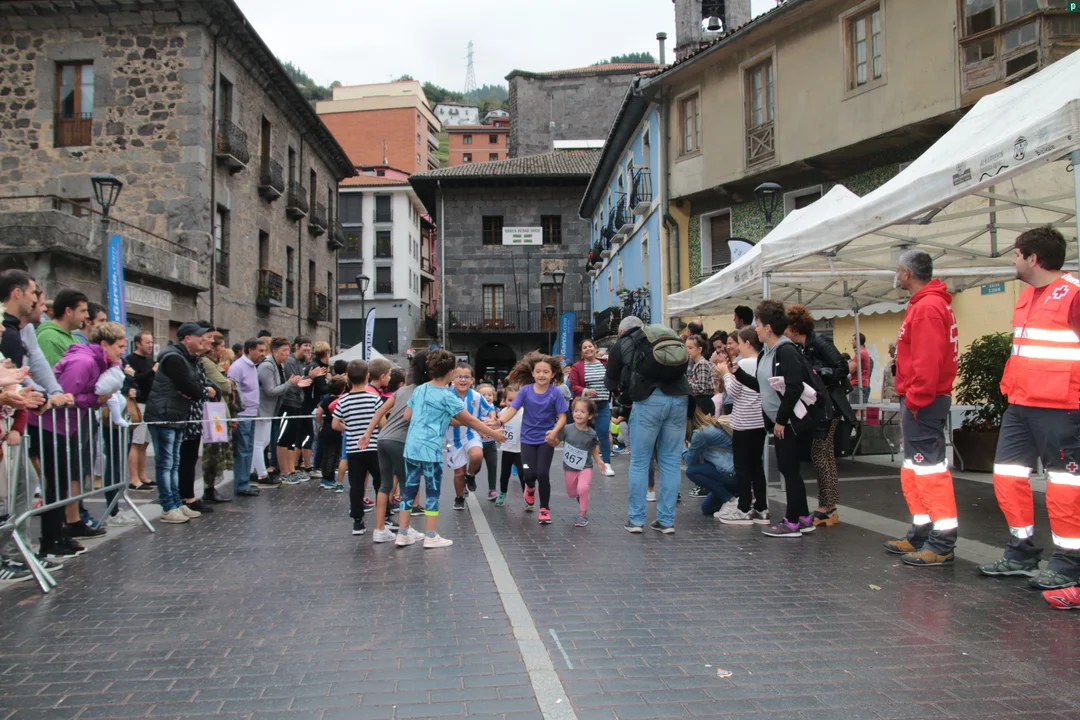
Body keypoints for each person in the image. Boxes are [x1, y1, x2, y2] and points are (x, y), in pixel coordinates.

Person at [977, 228, 1080, 607]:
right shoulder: (1026, 297)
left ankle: (1069, 562)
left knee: (1064, 484)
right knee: (1007, 476)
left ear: (1033, 258)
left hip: (1061, 405)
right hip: (1021, 404)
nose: (1013, 260)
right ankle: (1021, 551)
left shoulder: (1074, 294)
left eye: (1017, 254)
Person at [883, 249, 959, 567]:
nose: (896, 275)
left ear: (907, 273)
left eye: (897, 270)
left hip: (923, 401)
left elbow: (928, 361)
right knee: (917, 469)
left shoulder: (927, 307)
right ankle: (922, 534)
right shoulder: (926, 304)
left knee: (928, 470)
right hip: (922, 399)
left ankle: (941, 543)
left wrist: (915, 399)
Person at [394, 350, 505, 548]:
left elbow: (407, 416)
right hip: (430, 450)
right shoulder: (447, 396)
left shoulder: (420, 389)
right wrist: (494, 434)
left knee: (409, 489)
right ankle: (431, 536)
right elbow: (470, 420)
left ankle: (402, 534)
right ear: (451, 372)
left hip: (411, 447)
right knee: (432, 491)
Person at [731, 300, 819, 538]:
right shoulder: (766, 353)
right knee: (788, 469)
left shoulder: (785, 350)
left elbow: (793, 387)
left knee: (789, 470)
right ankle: (803, 517)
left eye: (758, 324)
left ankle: (792, 522)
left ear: (768, 328)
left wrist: (781, 419)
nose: (756, 328)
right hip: (779, 422)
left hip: (789, 423)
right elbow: (762, 386)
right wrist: (737, 373)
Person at [38, 322, 127, 557]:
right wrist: (95, 399)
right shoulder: (84, 361)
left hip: (66, 426)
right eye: (119, 346)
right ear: (104, 344)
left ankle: (59, 534)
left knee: (63, 482)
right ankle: (51, 539)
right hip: (51, 426)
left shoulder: (97, 362)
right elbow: (64, 396)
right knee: (56, 484)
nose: (123, 351)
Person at [605, 316, 690, 534]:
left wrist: (624, 395)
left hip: (648, 400)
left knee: (640, 462)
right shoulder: (661, 337)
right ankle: (666, 521)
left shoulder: (623, 343)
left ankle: (636, 520)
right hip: (680, 398)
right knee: (671, 462)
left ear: (622, 331)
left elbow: (610, 382)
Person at [784, 304, 856, 527]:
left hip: (830, 406)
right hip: (823, 406)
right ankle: (828, 506)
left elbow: (842, 367)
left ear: (794, 328)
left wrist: (819, 375)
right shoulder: (805, 346)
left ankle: (828, 507)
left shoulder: (819, 342)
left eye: (786, 328)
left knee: (822, 455)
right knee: (821, 455)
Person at [144, 323, 216, 524]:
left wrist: (196, 390)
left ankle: (177, 501)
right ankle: (168, 506)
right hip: (165, 414)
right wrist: (201, 391)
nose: (203, 340)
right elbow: (188, 386)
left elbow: (193, 386)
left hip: (177, 414)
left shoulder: (187, 358)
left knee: (174, 462)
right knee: (166, 463)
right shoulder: (174, 357)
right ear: (187, 338)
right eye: (199, 336)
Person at [360, 352, 429, 538]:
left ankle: (380, 529)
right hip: (400, 441)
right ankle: (405, 530)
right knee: (407, 485)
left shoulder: (402, 390)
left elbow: (380, 411)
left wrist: (367, 433)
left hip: (383, 438)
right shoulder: (425, 391)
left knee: (385, 484)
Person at [497, 353, 568, 525]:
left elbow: (563, 417)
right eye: (538, 371)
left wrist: (554, 432)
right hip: (527, 440)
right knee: (528, 472)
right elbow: (512, 409)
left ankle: (544, 509)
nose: (542, 375)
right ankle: (529, 487)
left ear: (552, 374)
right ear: (533, 373)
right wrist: (500, 421)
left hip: (545, 440)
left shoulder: (555, 393)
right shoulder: (525, 391)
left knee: (542, 473)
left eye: (546, 372)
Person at [714, 327, 769, 525]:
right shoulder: (763, 361)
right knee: (756, 465)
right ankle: (762, 507)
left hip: (744, 421)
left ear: (747, 343)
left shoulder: (744, 363)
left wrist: (725, 374)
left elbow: (733, 391)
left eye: (737, 342)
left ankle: (744, 508)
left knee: (742, 466)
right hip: (760, 420)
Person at [332, 359, 390, 537]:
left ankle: (358, 521)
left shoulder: (343, 400)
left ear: (347, 377)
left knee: (356, 485)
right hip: (373, 448)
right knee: (381, 482)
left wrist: (348, 428)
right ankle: (385, 516)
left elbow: (335, 424)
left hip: (354, 449)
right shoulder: (374, 399)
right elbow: (382, 423)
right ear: (367, 376)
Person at [256, 337, 307, 487]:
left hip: (274, 409)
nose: (287, 353)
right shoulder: (267, 366)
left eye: (288, 350)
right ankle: (276, 472)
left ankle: (289, 470)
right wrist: (290, 384)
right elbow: (271, 390)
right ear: (275, 351)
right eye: (284, 350)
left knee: (280, 440)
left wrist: (294, 383)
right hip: (267, 409)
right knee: (267, 442)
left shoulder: (281, 366)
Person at [445, 363, 495, 511]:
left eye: (466, 377)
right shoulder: (446, 395)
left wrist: (492, 418)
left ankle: (471, 474)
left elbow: (489, 409)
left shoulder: (476, 396)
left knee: (477, 455)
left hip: (471, 434)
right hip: (453, 439)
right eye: (459, 376)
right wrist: (470, 422)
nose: (463, 380)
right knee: (458, 473)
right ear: (452, 378)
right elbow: (447, 419)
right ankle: (459, 497)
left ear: (472, 380)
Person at [197, 331, 234, 508]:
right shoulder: (206, 363)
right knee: (212, 453)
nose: (223, 349)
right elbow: (225, 386)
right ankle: (208, 489)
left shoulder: (212, 363)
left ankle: (210, 488)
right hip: (212, 413)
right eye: (221, 346)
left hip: (218, 411)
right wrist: (229, 383)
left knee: (217, 452)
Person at [277, 336, 321, 484]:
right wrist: (306, 379)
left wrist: (309, 377)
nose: (308, 349)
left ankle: (291, 470)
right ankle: (284, 471)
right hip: (288, 403)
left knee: (291, 440)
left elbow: (301, 381)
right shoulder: (289, 362)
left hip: (297, 403)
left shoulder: (299, 363)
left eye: (309, 345)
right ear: (296, 346)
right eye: (305, 345)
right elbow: (293, 382)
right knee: (284, 439)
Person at [568, 339, 614, 477]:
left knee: (603, 433)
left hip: (603, 404)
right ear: (581, 352)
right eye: (584, 347)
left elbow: (613, 377)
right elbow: (573, 385)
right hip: (585, 407)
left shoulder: (605, 364)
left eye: (590, 346)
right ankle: (578, 463)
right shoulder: (577, 367)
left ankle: (606, 464)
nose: (588, 349)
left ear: (595, 348)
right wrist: (586, 391)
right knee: (581, 434)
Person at [682, 407, 737, 517]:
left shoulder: (700, 434)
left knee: (692, 471)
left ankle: (731, 500)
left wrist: (682, 445)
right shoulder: (710, 425)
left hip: (729, 472)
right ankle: (740, 496)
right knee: (707, 508)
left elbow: (689, 461)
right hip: (731, 471)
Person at [558, 397, 603, 527]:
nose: (578, 414)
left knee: (583, 488)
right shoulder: (567, 429)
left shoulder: (591, 433)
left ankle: (583, 515)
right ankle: (580, 496)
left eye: (582, 412)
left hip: (585, 467)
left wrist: (599, 461)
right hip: (569, 467)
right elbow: (556, 440)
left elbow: (593, 448)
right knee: (572, 493)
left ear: (590, 416)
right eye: (576, 411)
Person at [228, 338, 264, 498]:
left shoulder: (253, 367)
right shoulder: (238, 367)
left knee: (248, 449)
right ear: (250, 350)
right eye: (260, 350)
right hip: (242, 414)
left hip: (251, 413)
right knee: (242, 450)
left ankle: (245, 481)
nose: (263, 354)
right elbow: (232, 392)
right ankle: (241, 484)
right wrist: (234, 416)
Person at [125, 331, 156, 491]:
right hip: (139, 403)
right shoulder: (130, 359)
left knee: (144, 443)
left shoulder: (150, 359)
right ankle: (134, 479)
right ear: (138, 343)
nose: (150, 345)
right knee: (136, 442)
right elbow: (135, 378)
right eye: (147, 342)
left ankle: (142, 475)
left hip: (149, 403)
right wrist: (152, 371)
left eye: (151, 342)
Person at [36, 289, 89, 367]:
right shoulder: (48, 337)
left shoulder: (70, 335)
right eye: (83, 311)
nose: (87, 316)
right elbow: (52, 372)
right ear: (68, 311)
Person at [494, 385, 523, 506]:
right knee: (504, 474)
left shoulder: (524, 412)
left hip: (521, 450)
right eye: (510, 400)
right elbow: (497, 427)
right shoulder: (502, 414)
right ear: (504, 400)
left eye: (516, 400)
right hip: (507, 449)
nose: (513, 404)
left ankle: (527, 495)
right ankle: (503, 492)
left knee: (524, 473)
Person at [476, 383, 500, 500]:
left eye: (489, 395)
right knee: (476, 467)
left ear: (493, 396)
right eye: (483, 395)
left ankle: (492, 489)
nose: (487, 397)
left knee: (492, 467)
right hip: (477, 444)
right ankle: (468, 479)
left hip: (491, 444)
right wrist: (481, 430)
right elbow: (471, 424)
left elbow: (501, 421)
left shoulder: (496, 410)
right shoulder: (475, 409)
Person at [685, 335, 715, 415]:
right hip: (700, 400)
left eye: (690, 348)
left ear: (699, 349)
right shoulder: (696, 364)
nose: (687, 351)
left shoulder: (702, 364)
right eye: (686, 348)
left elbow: (701, 388)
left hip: (703, 401)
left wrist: (686, 383)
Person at [848, 332, 872, 403]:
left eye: (853, 340)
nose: (851, 342)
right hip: (861, 385)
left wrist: (848, 363)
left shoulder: (860, 353)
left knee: (856, 408)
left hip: (857, 386)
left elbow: (851, 369)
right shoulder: (863, 352)